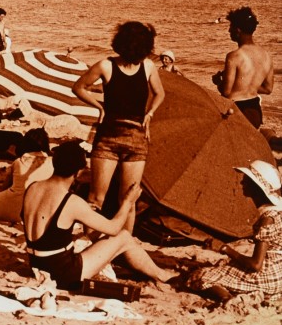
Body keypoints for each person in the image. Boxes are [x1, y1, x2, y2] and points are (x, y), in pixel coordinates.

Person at [22, 140, 176, 291]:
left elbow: (43, 217)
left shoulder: (33, 187)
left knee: (110, 242)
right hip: (63, 274)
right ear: (78, 172)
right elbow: (114, 228)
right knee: (123, 237)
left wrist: (78, 214)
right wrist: (128, 202)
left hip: (36, 264)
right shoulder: (72, 202)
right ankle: (162, 276)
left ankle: (144, 270)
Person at [73, 21, 165, 233]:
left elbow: (160, 93)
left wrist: (150, 113)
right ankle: (88, 242)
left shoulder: (147, 67)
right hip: (109, 139)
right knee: (97, 199)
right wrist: (100, 106)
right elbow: (78, 87)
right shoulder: (107, 65)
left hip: (135, 139)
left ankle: (123, 245)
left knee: (127, 200)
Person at [186, 160, 282, 305]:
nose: (242, 183)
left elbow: (256, 265)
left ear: (257, 187)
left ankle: (228, 299)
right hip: (278, 275)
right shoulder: (277, 211)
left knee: (200, 276)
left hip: (267, 276)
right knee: (224, 269)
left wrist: (226, 249)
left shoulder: (267, 219)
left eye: (246, 180)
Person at [213, 7, 274, 129]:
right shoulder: (266, 55)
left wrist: (218, 82)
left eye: (230, 27)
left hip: (237, 111)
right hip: (255, 111)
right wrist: (247, 85)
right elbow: (268, 89)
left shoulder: (234, 56)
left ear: (238, 30)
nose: (228, 30)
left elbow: (226, 92)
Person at [0, 128, 53, 223]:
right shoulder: (51, 163)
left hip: (5, 210)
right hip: (36, 213)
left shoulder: (18, 162)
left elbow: (5, 187)